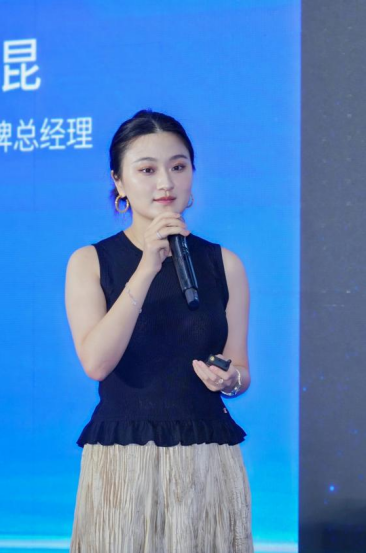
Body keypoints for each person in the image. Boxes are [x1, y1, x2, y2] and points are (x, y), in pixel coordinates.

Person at [64, 109, 253, 553]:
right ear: (119, 182)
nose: (166, 182)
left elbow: (241, 369)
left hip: (206, 459)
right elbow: (96, 362)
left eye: (178, 166)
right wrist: (148, 266)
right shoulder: (91, 262)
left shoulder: (224, 264)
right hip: (125, 461)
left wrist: (230, 380)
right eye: (147, 170)